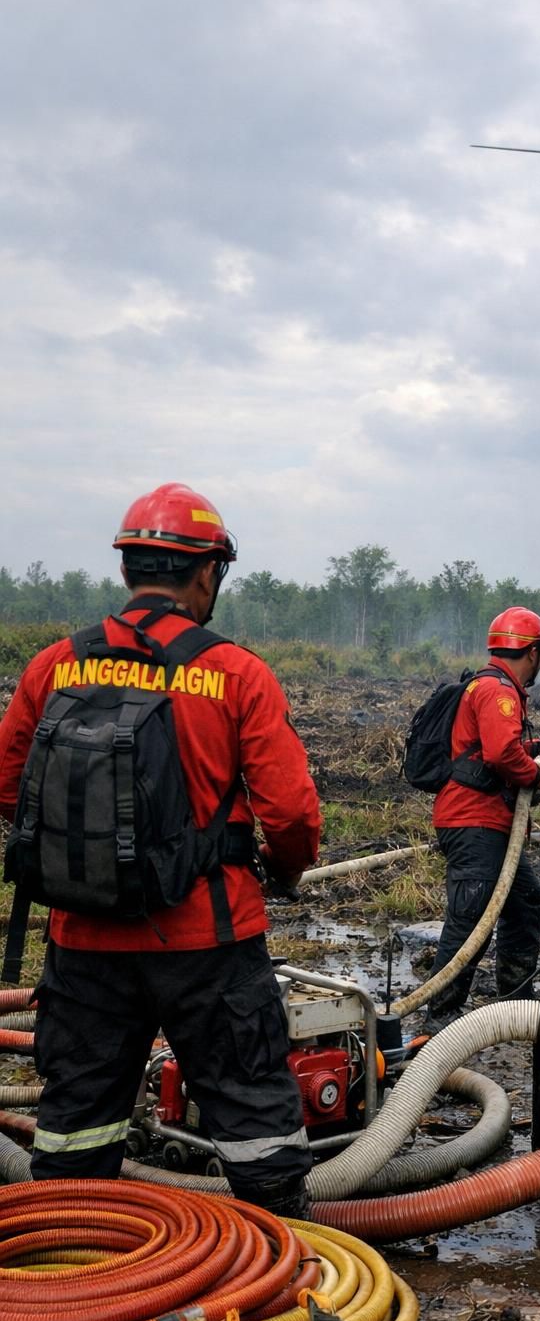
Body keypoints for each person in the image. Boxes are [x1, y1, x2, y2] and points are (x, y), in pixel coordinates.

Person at [0, 483, 321, 1218]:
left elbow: (9, 788)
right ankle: (279, 1275)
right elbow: (292, 814)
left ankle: (79, 1280)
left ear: (127, 572)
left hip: (81, 941)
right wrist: (286, 872)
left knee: (77, 1130)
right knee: (254, 1127)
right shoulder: (236, 674)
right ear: (207, 573)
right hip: (209, 936)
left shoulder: (56, 666)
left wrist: (80, 864)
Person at [425, 607, 540, 1029]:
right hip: (475, 822)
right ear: (532, 652)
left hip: (487, 824)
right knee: (471, 918)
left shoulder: (488, 686)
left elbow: (493, 747)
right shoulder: (498, 691)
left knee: (523, 901)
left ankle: (516, 1002)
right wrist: (536, 771)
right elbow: (501, 754)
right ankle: (438, 1023)